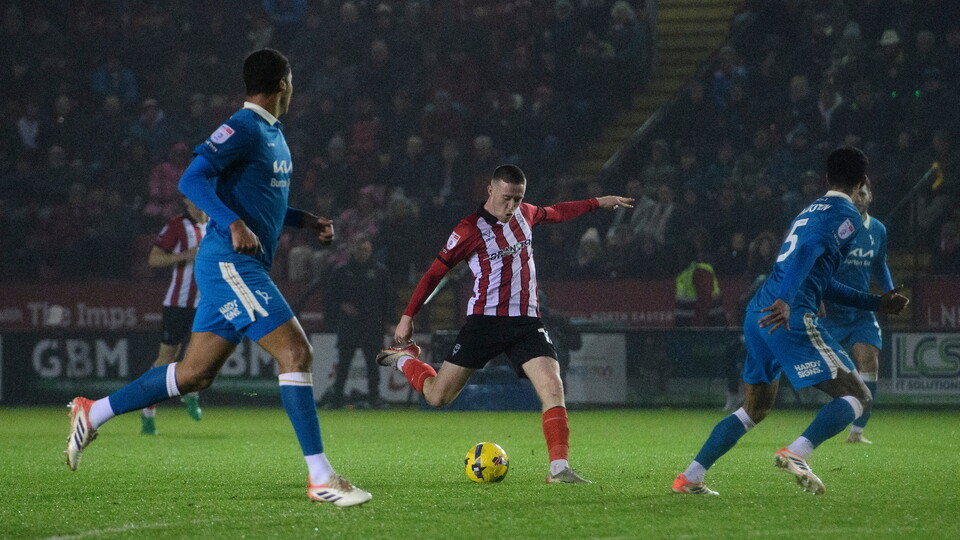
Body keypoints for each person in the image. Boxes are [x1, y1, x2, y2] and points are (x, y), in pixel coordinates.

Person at [65, 49, 371, 507]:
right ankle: (321, 477)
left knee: (194, 375)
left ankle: (94, 411)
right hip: (231, 264)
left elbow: (262, 206)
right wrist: (231, 223)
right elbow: (191, 180)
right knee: (296, 351)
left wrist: (306, 221)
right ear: (283, 83)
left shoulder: (272, 134)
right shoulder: (244, 127)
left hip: (233, 266)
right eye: (292, 80)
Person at [672, 147, 909, 496]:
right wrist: (787, 299)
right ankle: (797, 452)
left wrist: (875, 302)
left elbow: (822, 279)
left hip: (760, 313)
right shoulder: (847, 214)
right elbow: (808, 250)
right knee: (858, 395)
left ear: (827, 178)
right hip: (788, 314)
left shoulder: (811, 209)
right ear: (860, 183)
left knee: (753, 409)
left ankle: (690, 476)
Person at [376, 164, 633, 483]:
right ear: (490, 191)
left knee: (553, 387)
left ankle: (559, 469)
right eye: (507, 198)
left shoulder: (526, 213)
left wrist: (597, 201)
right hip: (484, 324)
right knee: (437, 398)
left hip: (526, 323)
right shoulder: (469, 230)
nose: (512, 206)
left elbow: (558, 211)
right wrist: (407, 315)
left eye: (518, 198)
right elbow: (434, 274)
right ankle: (405, 361)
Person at [821, 179, 894, 444]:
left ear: (870, 197)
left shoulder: (878, 230)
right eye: (854, 193)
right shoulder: (835, 228)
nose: (858, 198)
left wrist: (890, 291)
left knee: (869, 361)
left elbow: (879, 265)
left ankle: (857, 431)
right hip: (831, 311)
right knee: (835, 373)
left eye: (863, 193)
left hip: (861, 311)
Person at [140, 198, 208, 435]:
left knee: (204, 353)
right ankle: (148, 413)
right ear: (187, 199)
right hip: (179, 303)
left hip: (207, 304)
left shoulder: (216, 222)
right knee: (166, 359)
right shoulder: (177, 225)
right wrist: (185, 255)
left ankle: (191, 392)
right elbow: (154, 259)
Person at [324, 237, 394, 409]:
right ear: (353, 250)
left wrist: (391, 322)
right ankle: (337, 397)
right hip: (349, 324)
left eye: (366, 250)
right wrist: (341, 306)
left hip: (372, 324)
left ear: (371, 251)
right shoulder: (341, 271)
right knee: (344, 364)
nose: (363, 253)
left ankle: (374, 397)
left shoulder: (380, 272)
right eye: (360, 249)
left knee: (373, 364)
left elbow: (389, 299)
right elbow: (330, 297)